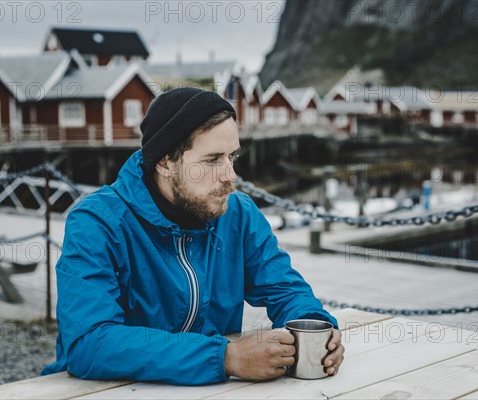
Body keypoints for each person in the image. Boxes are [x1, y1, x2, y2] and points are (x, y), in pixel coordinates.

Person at [41, 88, 344, 385]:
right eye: (213, 160)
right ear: (164, 162)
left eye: (232, 157)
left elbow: (286, 290)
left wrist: (317, 327)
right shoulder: (98, 222)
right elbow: (89, 342)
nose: (230, 175)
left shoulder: (238, 214)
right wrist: (225, 358)